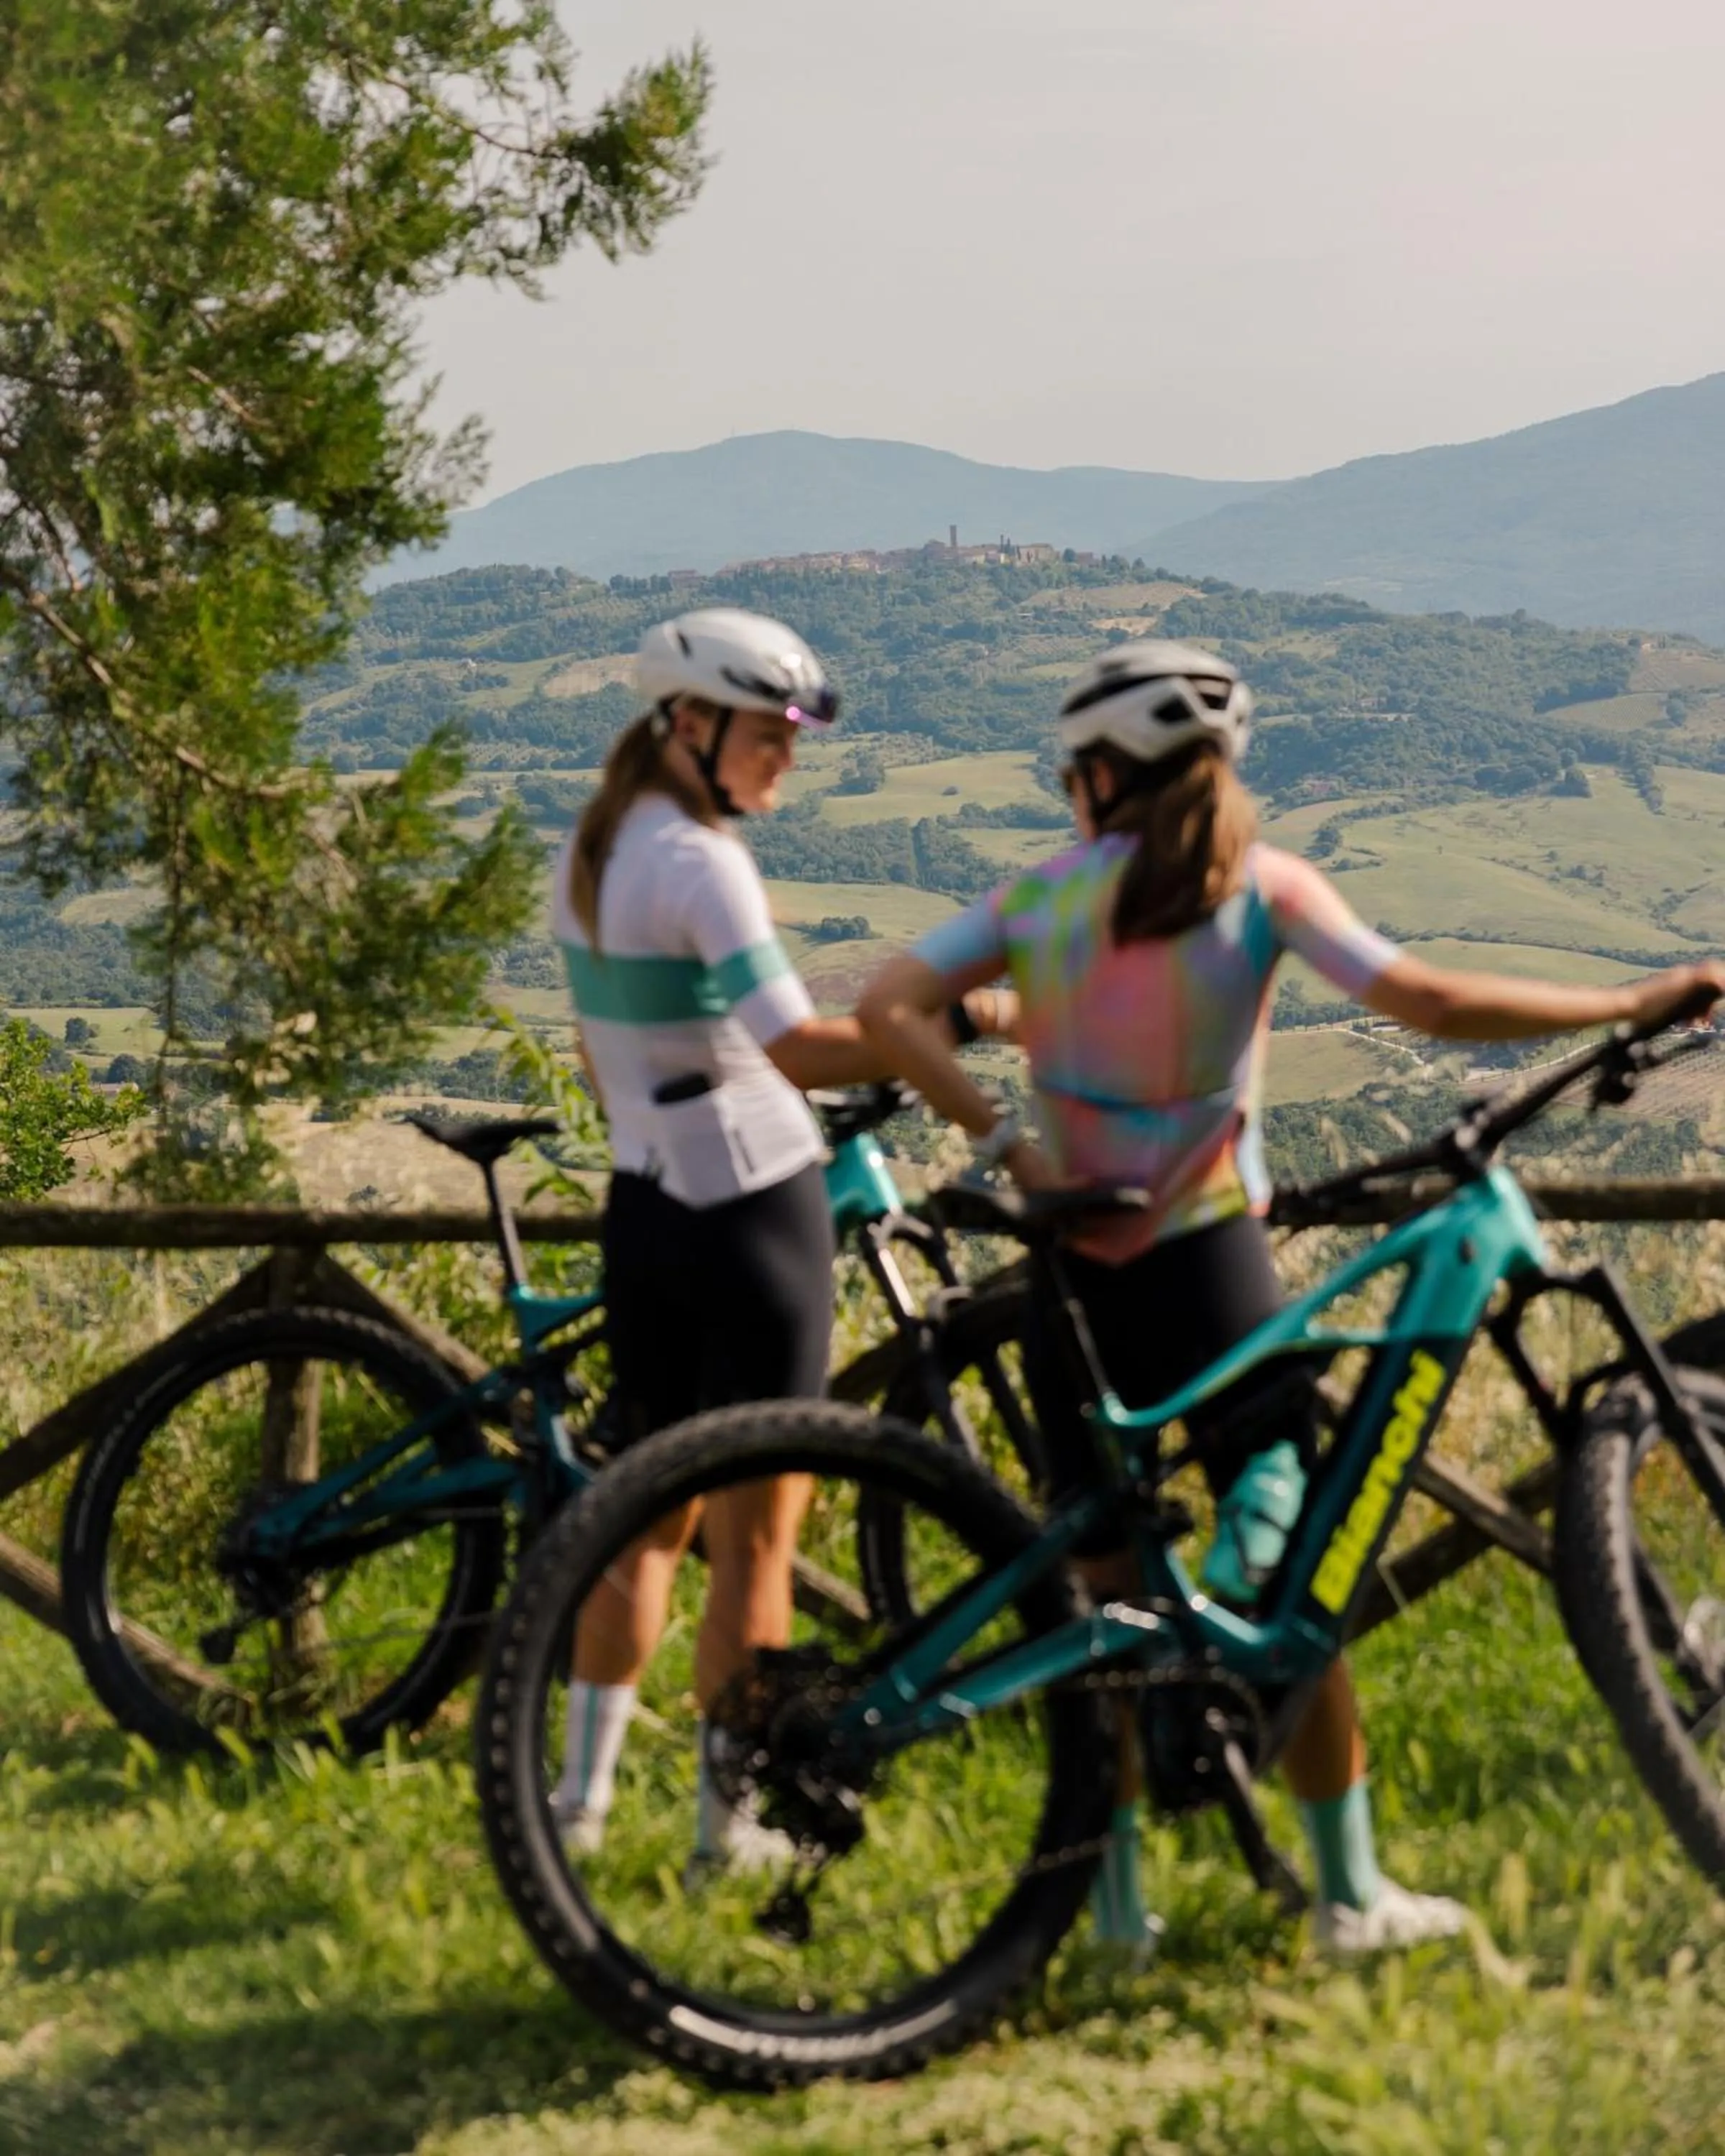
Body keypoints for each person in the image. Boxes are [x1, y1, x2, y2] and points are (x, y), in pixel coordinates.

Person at [856, 637, 1725, 1954]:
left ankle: (1117, 1917)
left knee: (1101, 1610)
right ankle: (1349, 1893)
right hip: (1208, 1262)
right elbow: (1425, 1002)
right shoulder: (1258, 888)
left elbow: (887, 1005)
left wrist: (1006, 1148)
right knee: (1298, 1565)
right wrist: (1625, 998)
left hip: (1067, 1278)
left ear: (1102, 775)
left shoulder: (1037, 900)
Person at [547, 607, 889, 1871]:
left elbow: (598, 1053)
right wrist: (959, 1021)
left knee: (643, 1518)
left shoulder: (590, 853)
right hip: (756, 1212)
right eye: (768, 732)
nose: (785, 757)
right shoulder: (702, 863)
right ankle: (724, 1830)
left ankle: (575, 1813)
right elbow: (799, 1047)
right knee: (759, 1536)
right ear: (688, 725)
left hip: (645, 1207)